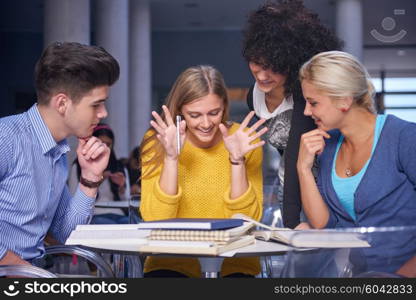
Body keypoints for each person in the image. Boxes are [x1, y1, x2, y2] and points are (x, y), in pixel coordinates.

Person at [140, 65, 267, 278]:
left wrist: (237, 161)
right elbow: (156, 220)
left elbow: (246, 222)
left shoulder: (242, 140)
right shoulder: (160, 141)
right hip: (170, 263)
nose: (206, 123)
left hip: (234, 264)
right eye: (195, 115)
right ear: (181, 111)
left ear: (224, 106)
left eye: (214, 113)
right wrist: (171, 158)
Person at [297, 50, 416, 275]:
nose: (306, 111)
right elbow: (323, 224)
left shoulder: (405, 138)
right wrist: (303, 168)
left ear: (344, 99)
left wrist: (400, 280)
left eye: (313, 103)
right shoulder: (329, 148)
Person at [0, 41, 119, 266]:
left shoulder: (57, 151)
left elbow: (66, 234)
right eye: (96, 105)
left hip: (36, 273)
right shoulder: (6, 138)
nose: (104, 113)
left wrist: (90, 179)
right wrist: (15, 266)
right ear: (62, 103)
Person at [242, 0, 342, 228]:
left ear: (292, 63)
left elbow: (295, 155)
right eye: (257, 63)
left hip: (323, 188)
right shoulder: (253, 97)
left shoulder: (302, 98)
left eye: (274, 67)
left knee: (320, 256)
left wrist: (291, 225)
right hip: (289, 185)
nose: (263, 75)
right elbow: (284, 152)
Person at [68, 123, 129, 224]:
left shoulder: (119, 167)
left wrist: (122, 187)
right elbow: (72, 198)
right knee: (110, 226)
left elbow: (126, 201)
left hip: (118, 212)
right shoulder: (79, 166)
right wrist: (95, 181)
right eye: (100, 143)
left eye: (108, 144)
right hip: (95, 213)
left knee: (131, 224)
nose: (104, 148)